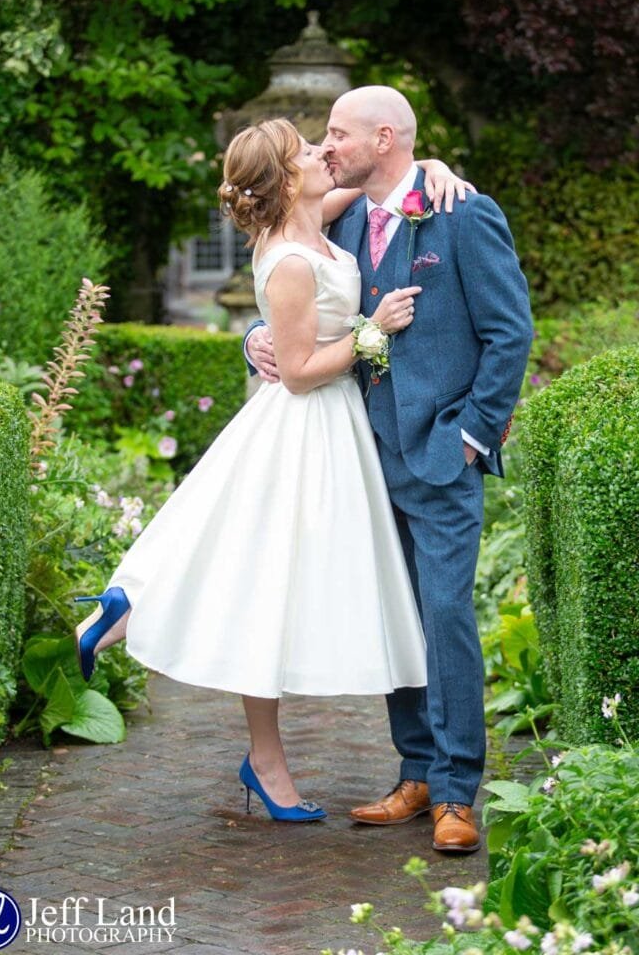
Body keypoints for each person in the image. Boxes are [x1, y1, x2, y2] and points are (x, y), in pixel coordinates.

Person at [73, 118, 470, 824]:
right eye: (310, 152)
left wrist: (430, 165)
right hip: (306, 424)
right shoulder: (288, 257)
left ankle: (131, 604)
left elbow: (386, 187)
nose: (325, 153)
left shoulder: (320, 215)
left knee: (246, 557)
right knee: (264, 579)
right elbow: (295, 372)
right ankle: (146, 624)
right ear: (289, 179)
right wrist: (374, 329)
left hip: (338, 426)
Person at [245, 86, 533, 851]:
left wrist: (473, 435)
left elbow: (510, 332)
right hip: (360, 457)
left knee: (443, 616)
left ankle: (457, 793)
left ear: (383, 137)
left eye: (337, 133)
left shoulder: (461, 212)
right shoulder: (340, 215)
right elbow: (294, 290)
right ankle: (415, 771)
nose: (325, 145)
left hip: (441, 455)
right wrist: (254, 339)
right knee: (396, 618)